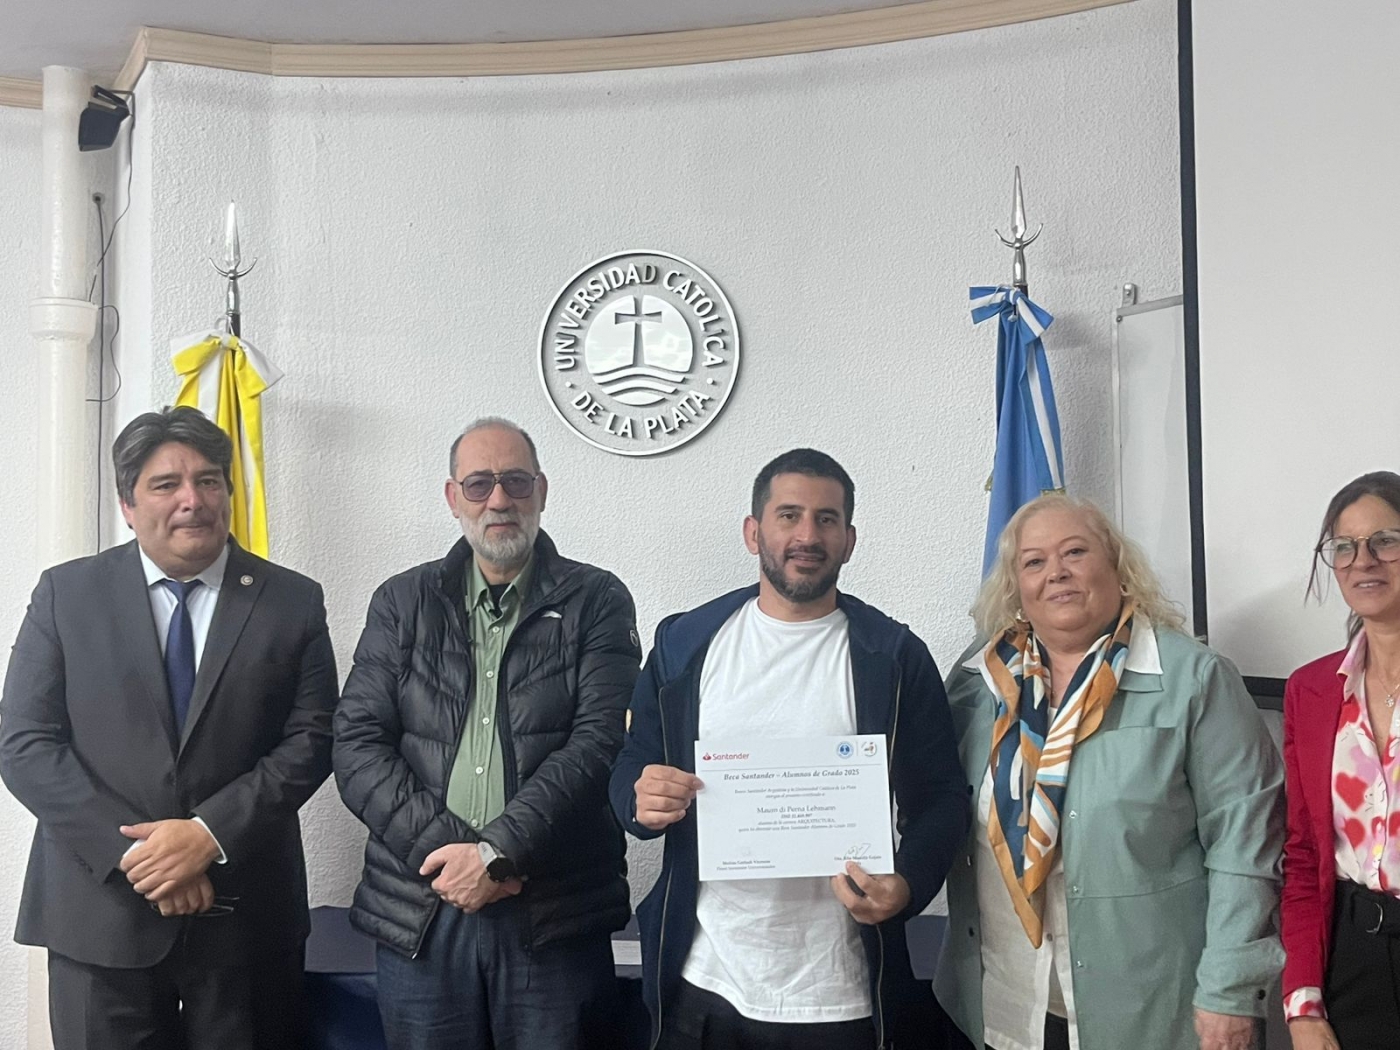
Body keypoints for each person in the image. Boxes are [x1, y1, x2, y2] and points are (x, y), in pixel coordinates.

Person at [0, 406, 338, 1050]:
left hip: (245, 924)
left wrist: (208, 835)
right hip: (98, 919)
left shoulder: (291, 600)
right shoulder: (67, 595)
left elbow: (314, 738)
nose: (193, 499)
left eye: (210, 481)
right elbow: (24, 743)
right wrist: (141, 857)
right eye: (166, 485)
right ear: (128, 505)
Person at [610, 447, 969, 1050]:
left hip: (840, 989)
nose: (808, 534)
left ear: (849, 539)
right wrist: (639, 800)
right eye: (789, 515)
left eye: (827, 519)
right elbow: (630, 767)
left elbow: (940, 799)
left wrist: (906, 885)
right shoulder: (684, 645)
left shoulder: (894, 657)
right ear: (754, 533)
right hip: (705, 981)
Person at [334, 417, 642, 1050]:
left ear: (542, 491)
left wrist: (497, 853)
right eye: (479, 484)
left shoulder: (598, 600)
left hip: (551, 913)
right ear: (454, 499)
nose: (499, 499)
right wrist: (459, 857)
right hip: (424, 908)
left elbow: (599, 742)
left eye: (515, 481)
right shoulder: (401, 602)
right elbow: (357, 744)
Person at [934, 493, 1283, 1050]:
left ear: (1117, 567)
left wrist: (1230, 991)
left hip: (1155, 1011)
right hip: (1007, 1004)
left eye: (1076, 551)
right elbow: (935, 804)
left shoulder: (1194, 680)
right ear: (1016, 587)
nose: (1057, 573)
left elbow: (1246, 846)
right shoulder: (978, 685)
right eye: (1034, 561)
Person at [1282, 471, 1400, 1050]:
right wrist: (1303, 1003)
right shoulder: (1312, 691)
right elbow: (1304, 858)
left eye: (1386, 541)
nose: (1363, 561)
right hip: (1350, 960)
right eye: (1344, 547)